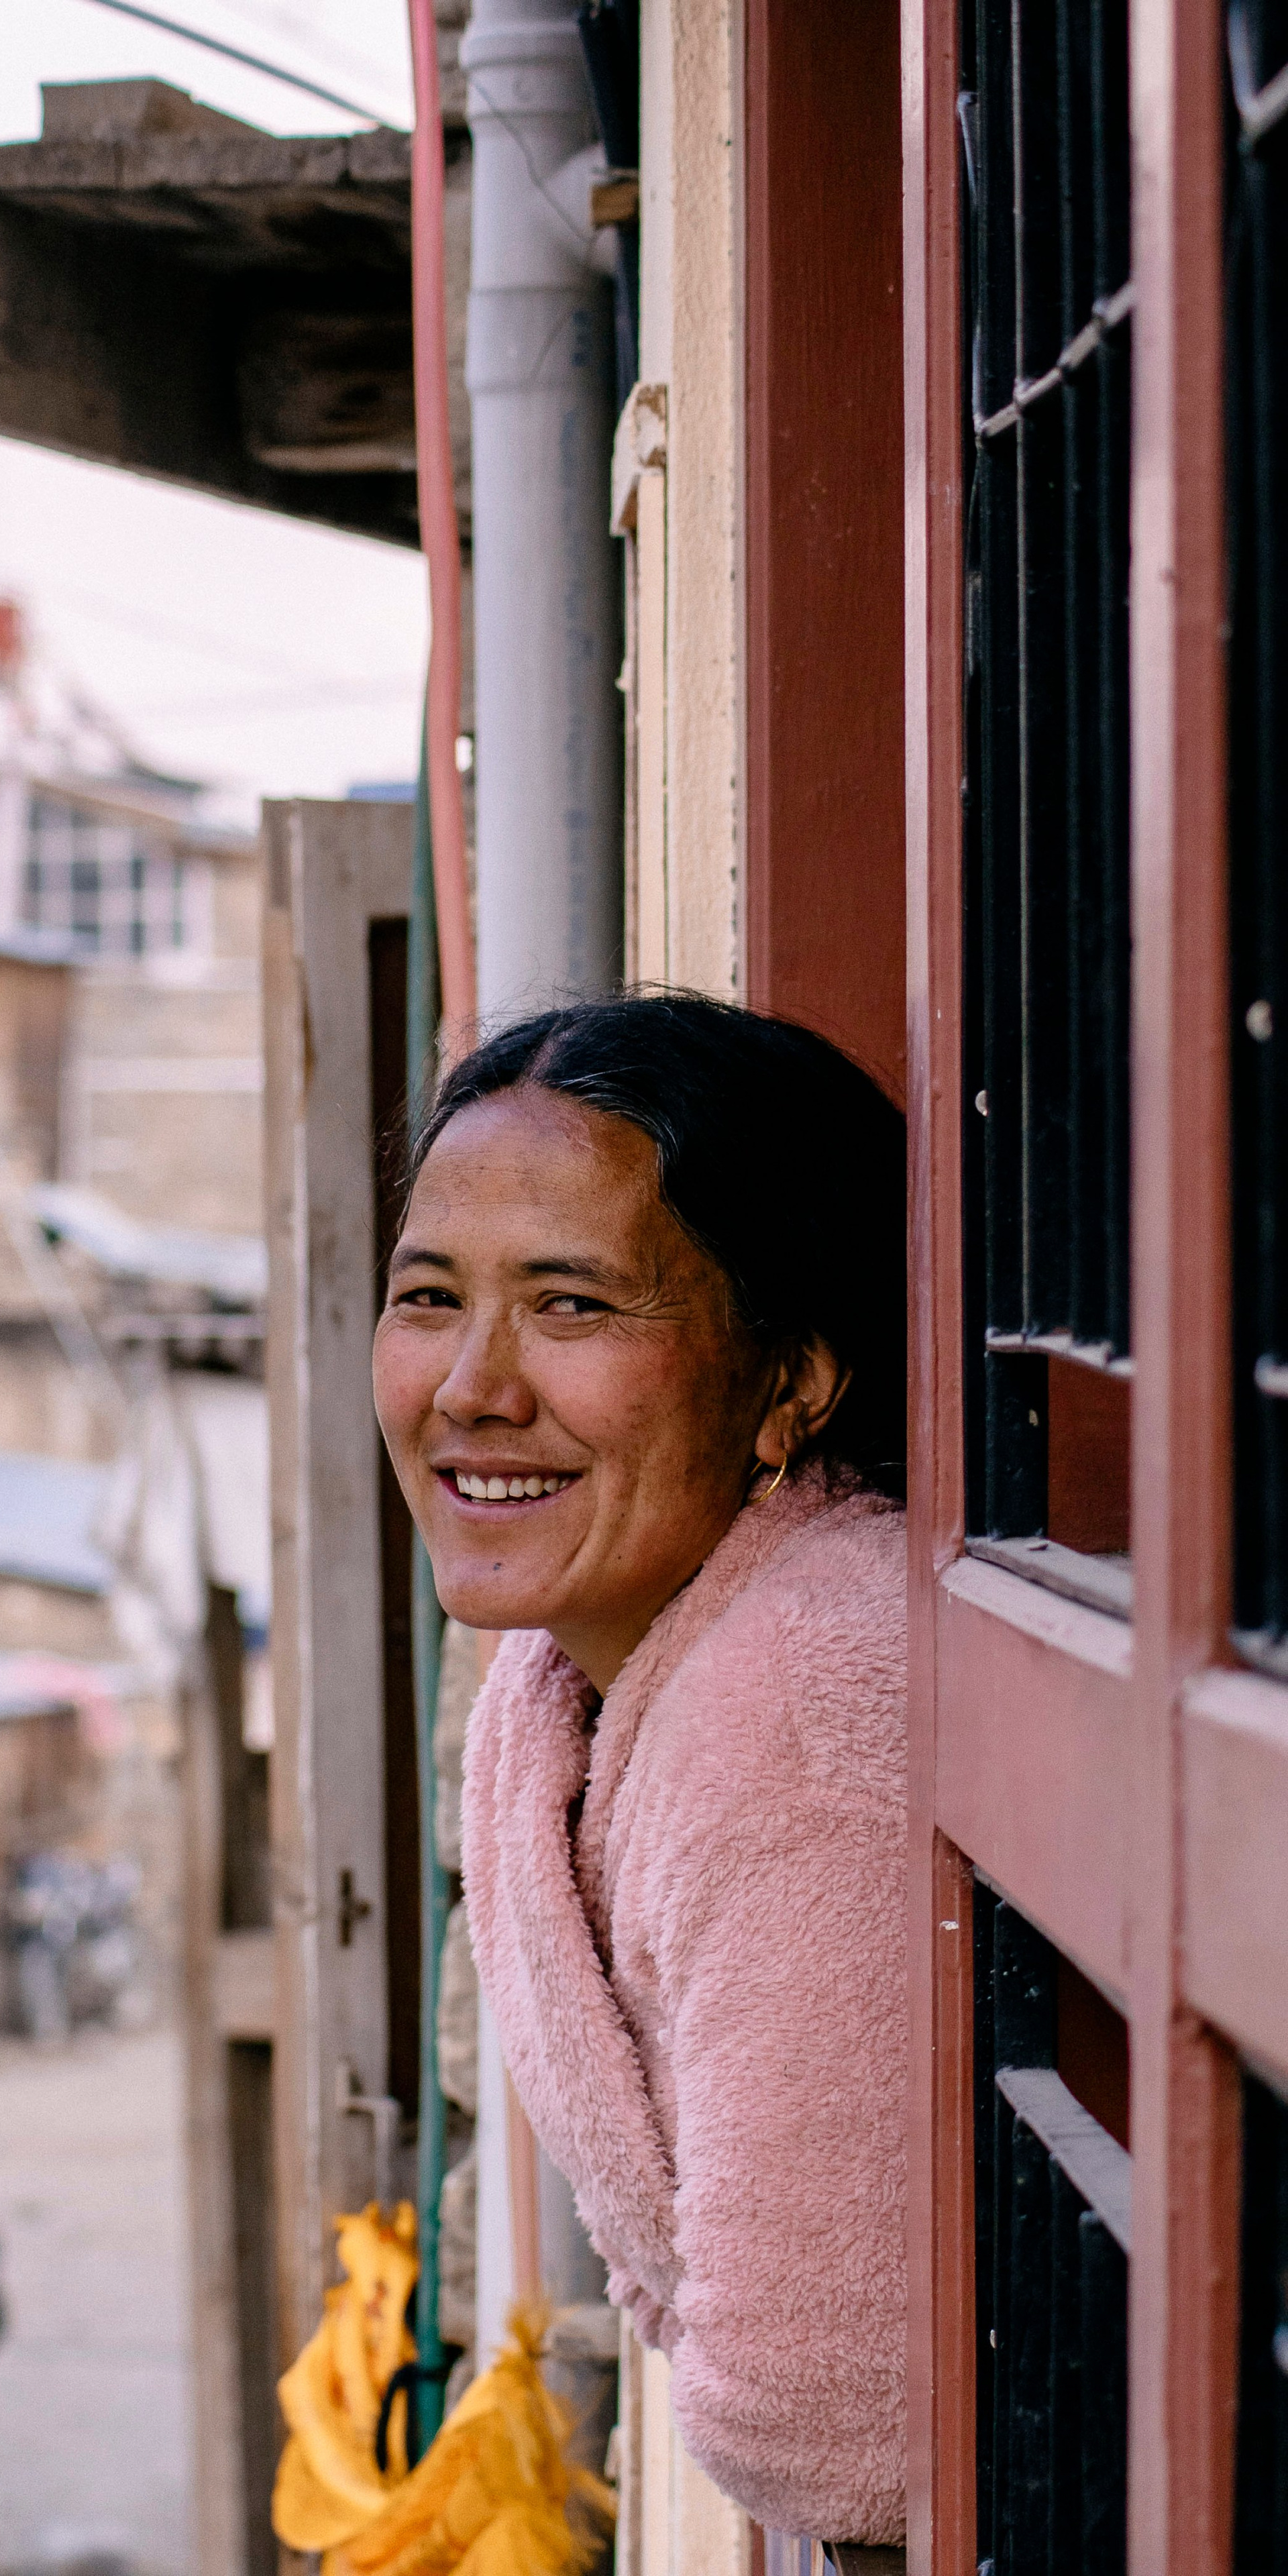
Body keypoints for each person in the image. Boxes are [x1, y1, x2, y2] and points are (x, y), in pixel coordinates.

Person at [371, 992, 908, 2551]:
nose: (470, 1386)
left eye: (573, 1306)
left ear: (793, 1382)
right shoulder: (567, 1676)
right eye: (427, 1298)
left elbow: (839, 2421)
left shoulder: (799, 1707)